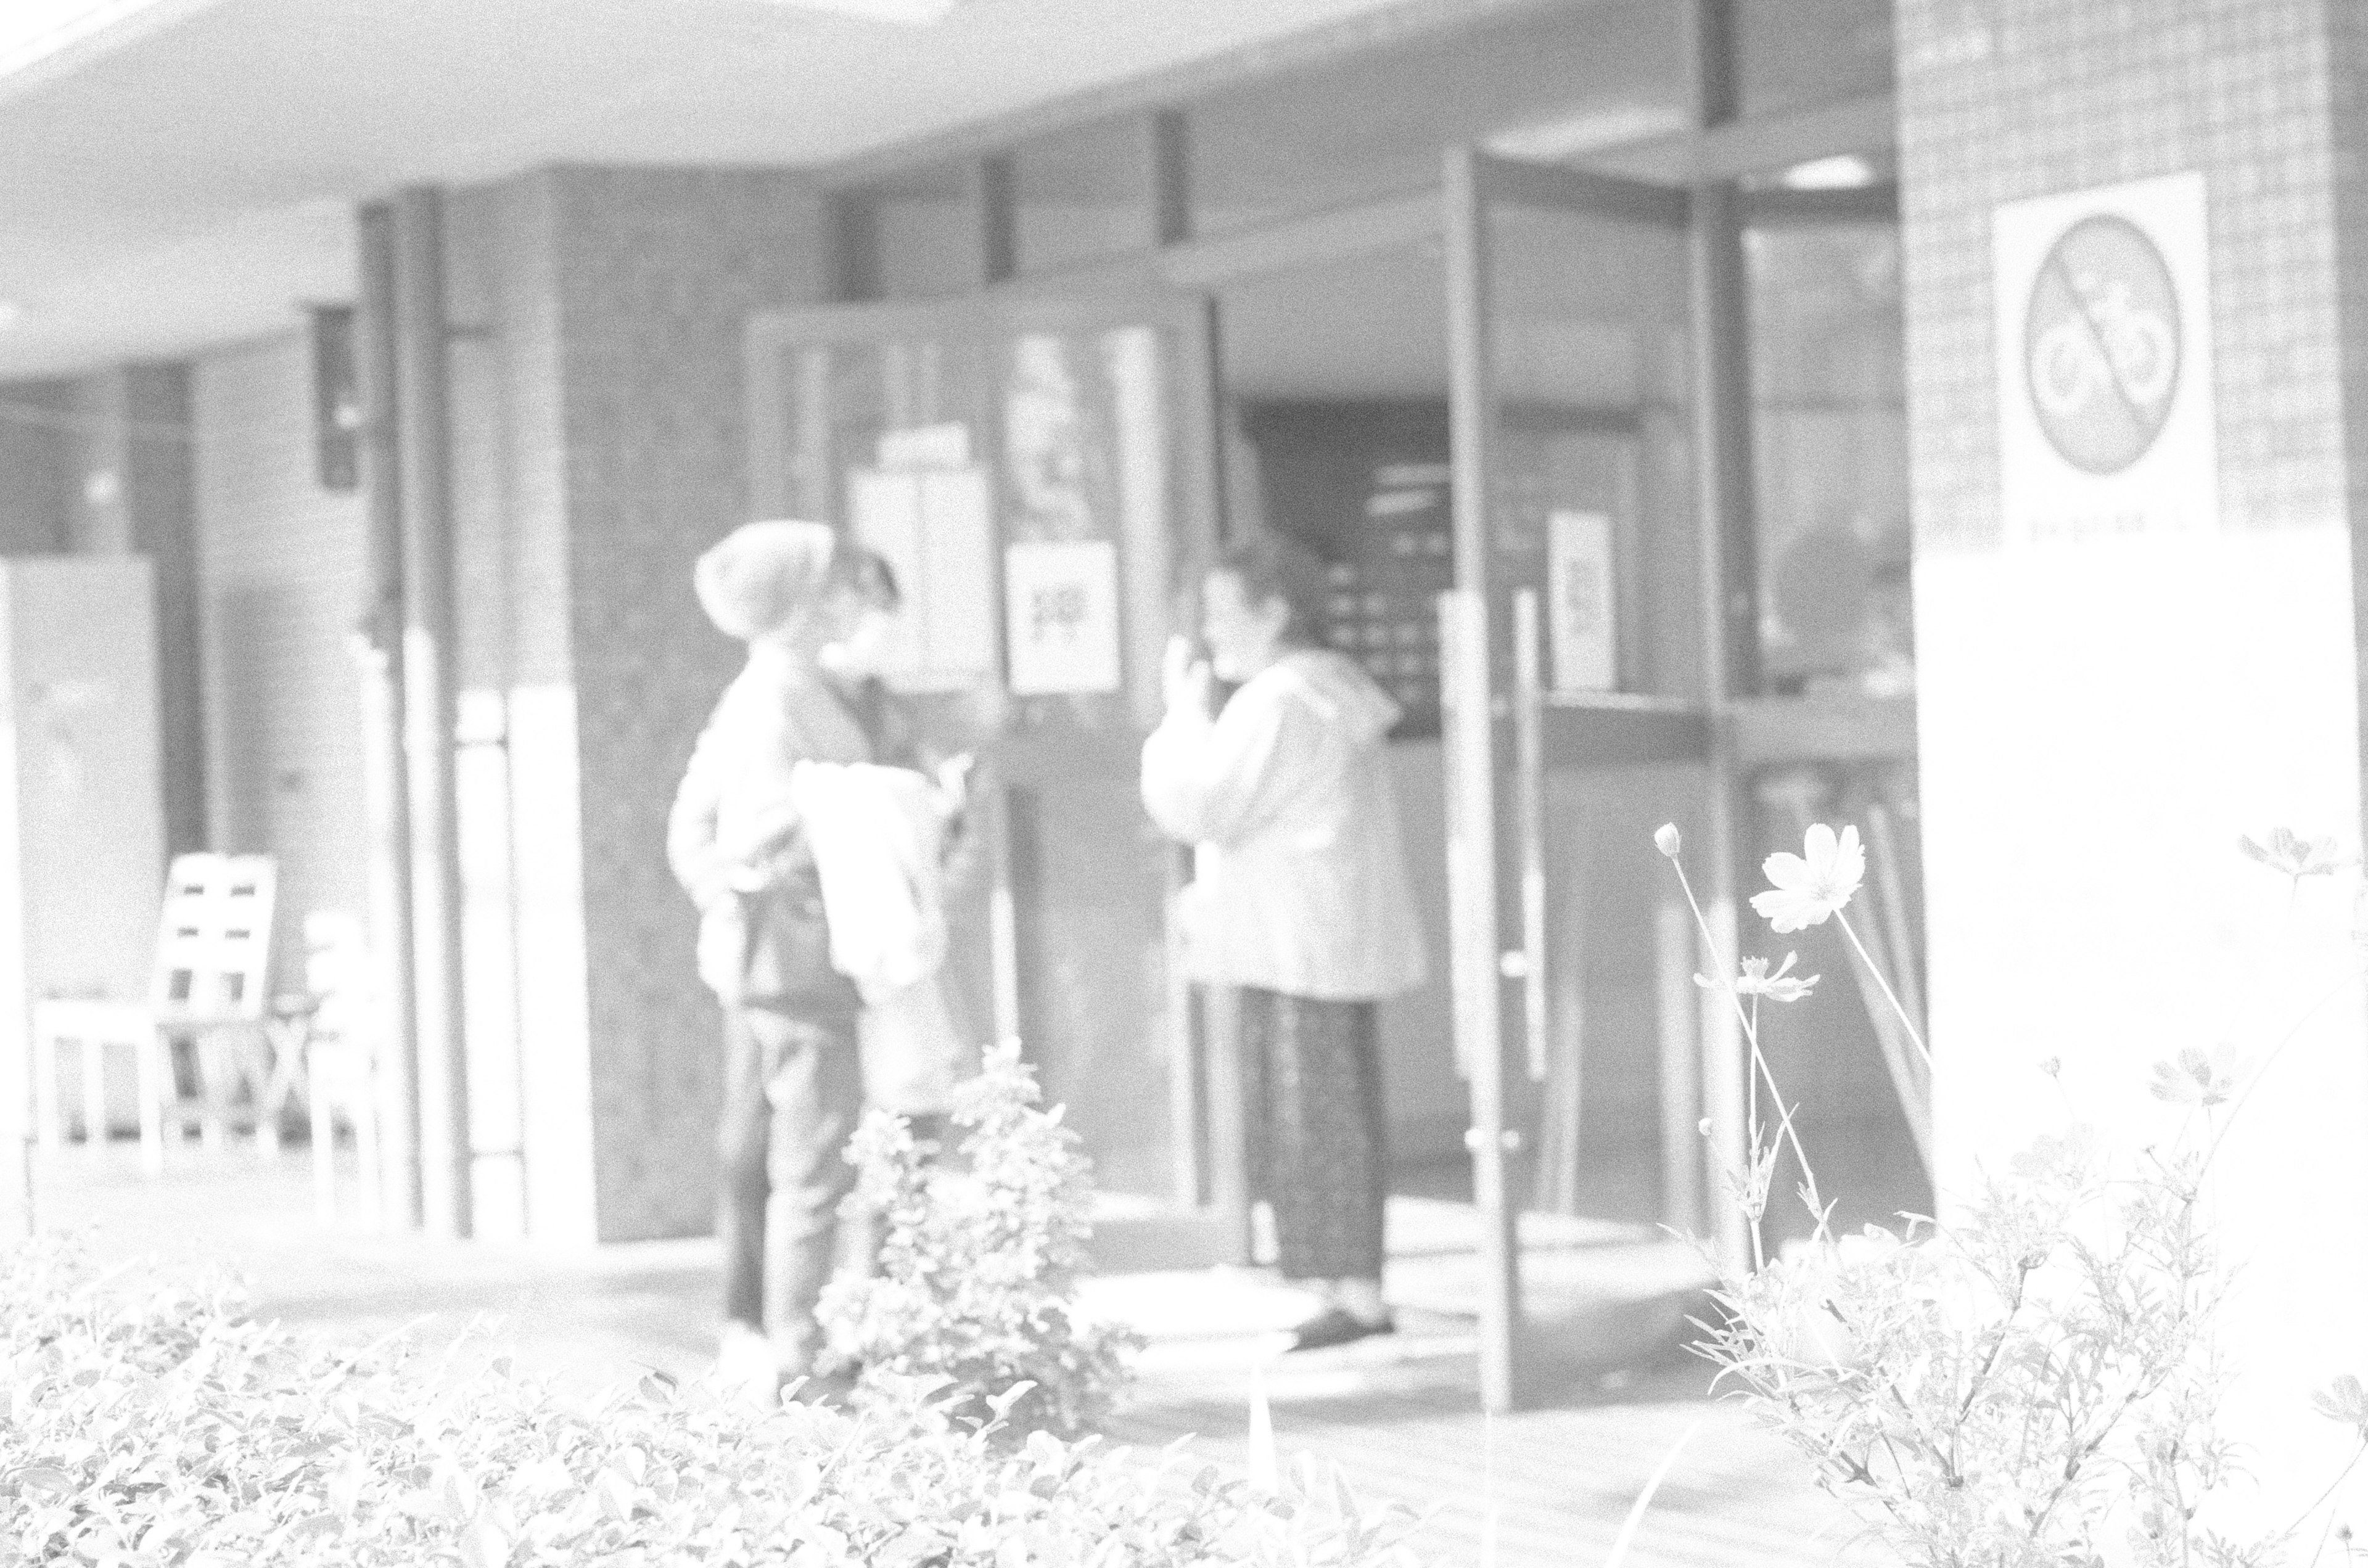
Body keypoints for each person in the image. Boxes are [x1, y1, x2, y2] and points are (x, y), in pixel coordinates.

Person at [1139, 533, 1428, 1352]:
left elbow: (1203, 805)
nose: (1209, 632)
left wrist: (1182, 712)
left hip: (1297, 939)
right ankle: (1353, 1286)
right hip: (1322, 934)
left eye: (1225, 611)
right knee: (1333, 1113)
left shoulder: (1279, 699)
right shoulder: (1328, 688)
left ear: (1275, 612)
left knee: (1312, 1116)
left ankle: (1353, 1294)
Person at [667, 519, 873, 1403]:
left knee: (762, 1148)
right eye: (836, 582)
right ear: (801, 601)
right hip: (798, 956)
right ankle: (799, 1352)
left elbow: (691, 825)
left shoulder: (770, 689)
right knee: (810, 1156)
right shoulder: (781, 699)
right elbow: (763, 830)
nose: (853, 598)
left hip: (760, 957)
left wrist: (721, 889)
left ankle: (762, 1331)